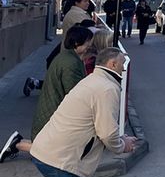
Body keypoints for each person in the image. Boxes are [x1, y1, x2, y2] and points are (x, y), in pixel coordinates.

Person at [3, 48, 137, 177]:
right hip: (57, 160)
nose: (123, 67)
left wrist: (120, 138)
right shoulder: (107, 89)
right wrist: (122, 145)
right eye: (122, 63)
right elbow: (107, 134)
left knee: (83, 166)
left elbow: (100, 127)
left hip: (47, 150)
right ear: (112, 64)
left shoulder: (92, 80)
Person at [2, 26, 97, 166]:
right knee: (54, 152)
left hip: (50, 112)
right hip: (54, 115)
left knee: (54, 148)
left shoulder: (67, 57)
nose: (90, 44)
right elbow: (75, 93)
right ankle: (18, 144)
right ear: (77, 43)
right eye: (88, 41)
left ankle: (18, 142)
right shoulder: (71, 63)